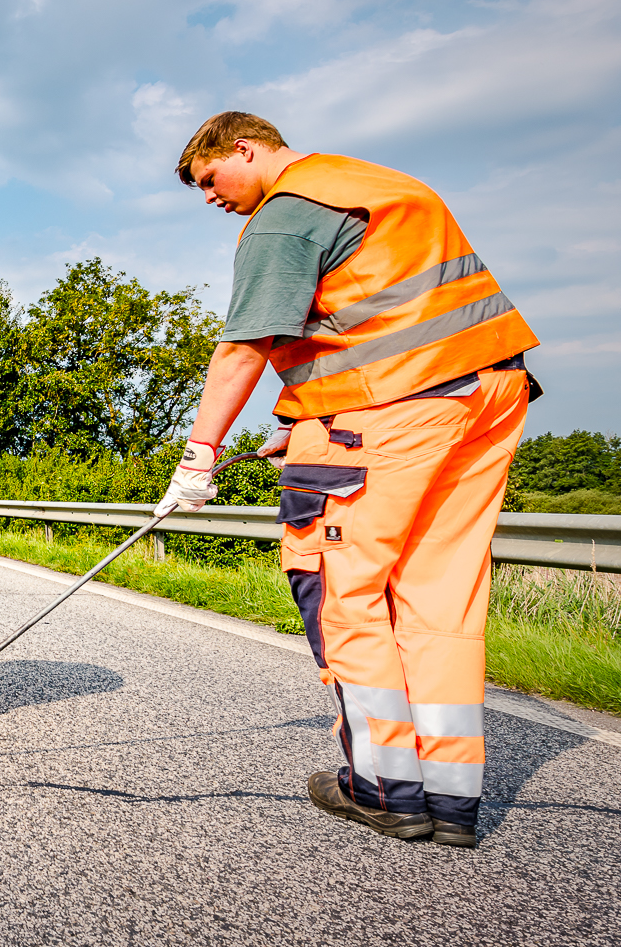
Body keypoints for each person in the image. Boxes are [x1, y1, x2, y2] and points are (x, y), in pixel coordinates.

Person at [165, 111, 538, 850]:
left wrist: (200, 453)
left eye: (211, 179)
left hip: (388, 415)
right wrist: (294, 417)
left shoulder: (287, 213)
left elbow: (244, 345)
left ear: (244, 149)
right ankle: (451, 799)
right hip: (485, 402)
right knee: (440, 599)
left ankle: (383, 790)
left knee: (343, 588)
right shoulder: (389, 188)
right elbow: (386, 320)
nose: (210, 197)